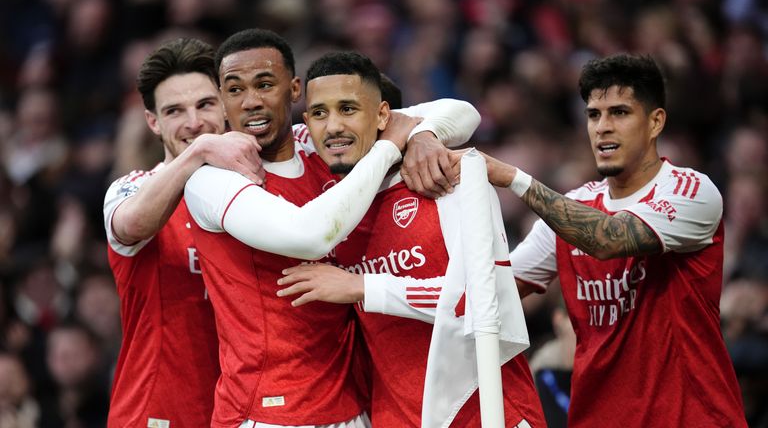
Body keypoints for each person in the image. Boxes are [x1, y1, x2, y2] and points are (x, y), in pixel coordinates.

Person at [183, 29, 480, 428]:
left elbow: (462, 112)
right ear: (221, 101)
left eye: (265, 85)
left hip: (351, 405)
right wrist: (391, 146)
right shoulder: (210, 181)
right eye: (234, 90)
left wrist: (422, 134)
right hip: (266, 413)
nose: (251, 101)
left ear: (294, 90)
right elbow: (309, 236)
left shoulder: (321, 144)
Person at [277, 51, 546, 427]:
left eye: (350, 109)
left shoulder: (448, 177)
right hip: (395, 416)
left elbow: (485, 299)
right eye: (320, 113)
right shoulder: (332, 207)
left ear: (385, 117)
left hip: (485, 412)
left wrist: (363, 287)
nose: (334, 125)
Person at [480, 54, 748, 427]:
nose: (603, 127)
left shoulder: (692, 192)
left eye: (620, 113)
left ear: (655, 122)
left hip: (691, 418)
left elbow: (609, 238)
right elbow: (489, 290)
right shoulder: (572, 206)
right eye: (594, 115)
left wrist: (515, 180)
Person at [103, 37, 264, 427]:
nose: (193, 123)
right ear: (153, 122)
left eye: (206, 105)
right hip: (157, 413)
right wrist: (201, 151)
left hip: (243, 412)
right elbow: (133, 224)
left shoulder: (258, 193)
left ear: (226, 106)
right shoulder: (133, 188)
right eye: (175, 111)